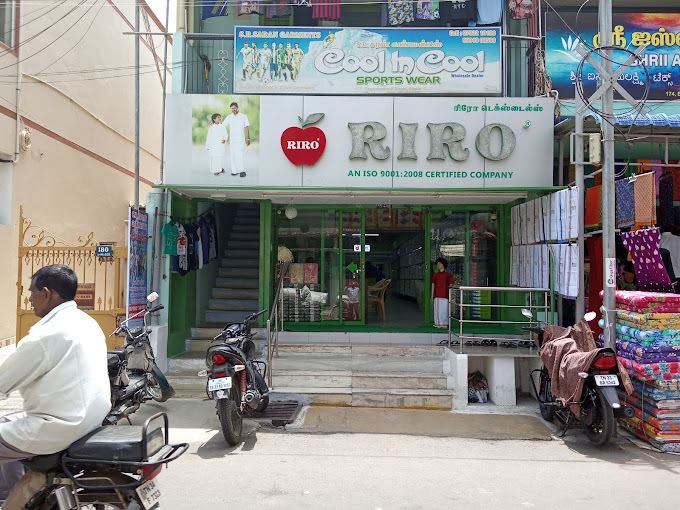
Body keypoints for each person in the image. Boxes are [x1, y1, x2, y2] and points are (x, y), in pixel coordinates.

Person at [0, 265, 111, 505]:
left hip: (57, 425)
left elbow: (4, 380)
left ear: (47, 293)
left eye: (32, 292)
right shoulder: (87, 323)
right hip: (87, 419)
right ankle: (8, 497)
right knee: (6, 422)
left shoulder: (46, 335)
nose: (29, 299)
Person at [224, 102, 251, 178]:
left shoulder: (243, 116)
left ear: (237, 107)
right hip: (232, 140)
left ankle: (242, 171)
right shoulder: (229, 117)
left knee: (240, 155)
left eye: (234, 108)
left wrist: (248, 138)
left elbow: (246, 127)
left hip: (240, 139)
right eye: (232, 108)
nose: (233, 109)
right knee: (233, 155)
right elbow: (223, 125)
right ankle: (234, 171)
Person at [431, 257, 454, 329]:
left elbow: (451, 285)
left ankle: (444, 324)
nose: (438, 265)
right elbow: (433, 285)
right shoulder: (435, 275)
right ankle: (438, 323)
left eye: (439, 263)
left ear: (443, 264)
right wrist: (432, 295)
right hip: (437, 295)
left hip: (445, 295)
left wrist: (451, 295)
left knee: (444, 310)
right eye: (437, 264)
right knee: (437, 310)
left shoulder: (448, 275)